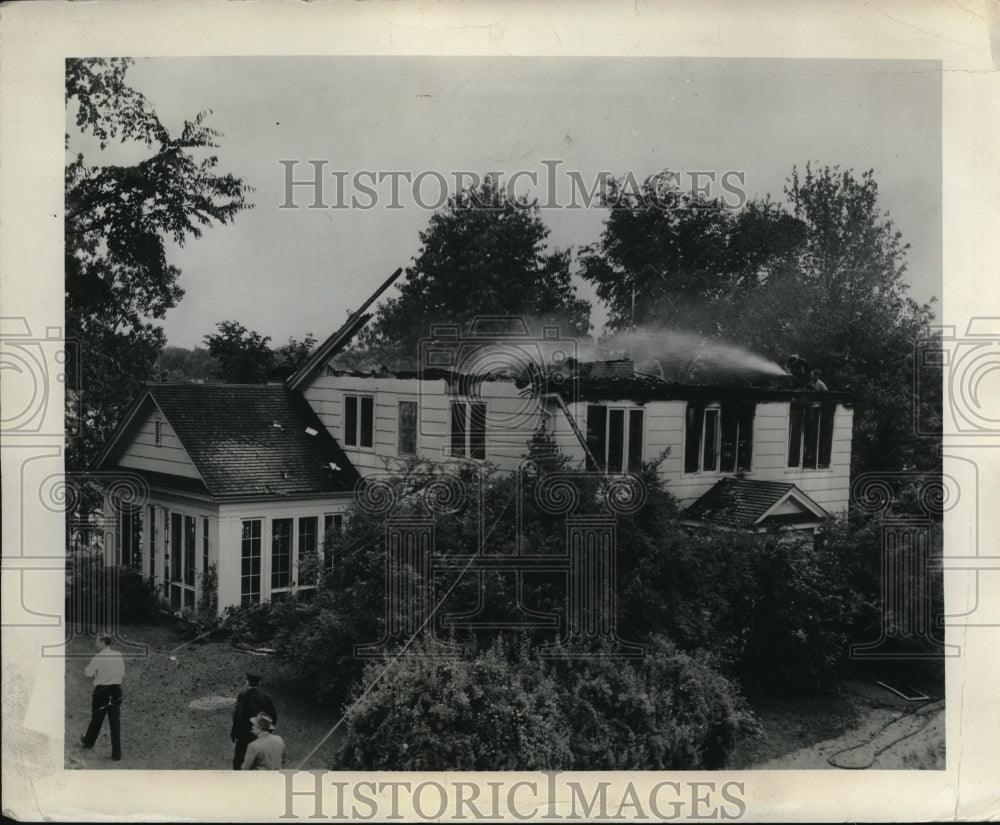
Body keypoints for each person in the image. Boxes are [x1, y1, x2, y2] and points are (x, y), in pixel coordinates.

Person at [80, 634, 124, 761]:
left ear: (104, 642)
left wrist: (97, 673)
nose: (95, 644)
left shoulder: (98, 657)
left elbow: (88, 673)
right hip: (116, 691)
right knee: (115, 722)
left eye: (97, 642)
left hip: (102, 691)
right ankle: (117, 754)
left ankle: (89, 742)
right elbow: (122, 673)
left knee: (97, 718)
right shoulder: (118, 655)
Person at [230, 673, 278, 770]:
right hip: (260, 734)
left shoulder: (243, 697)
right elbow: (274, 716)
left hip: (244, 735)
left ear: (247, 682)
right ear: (258, 683)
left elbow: (238, 716)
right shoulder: (265, 698)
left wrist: (235, 732)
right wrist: (267, 731)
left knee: (240, 761)